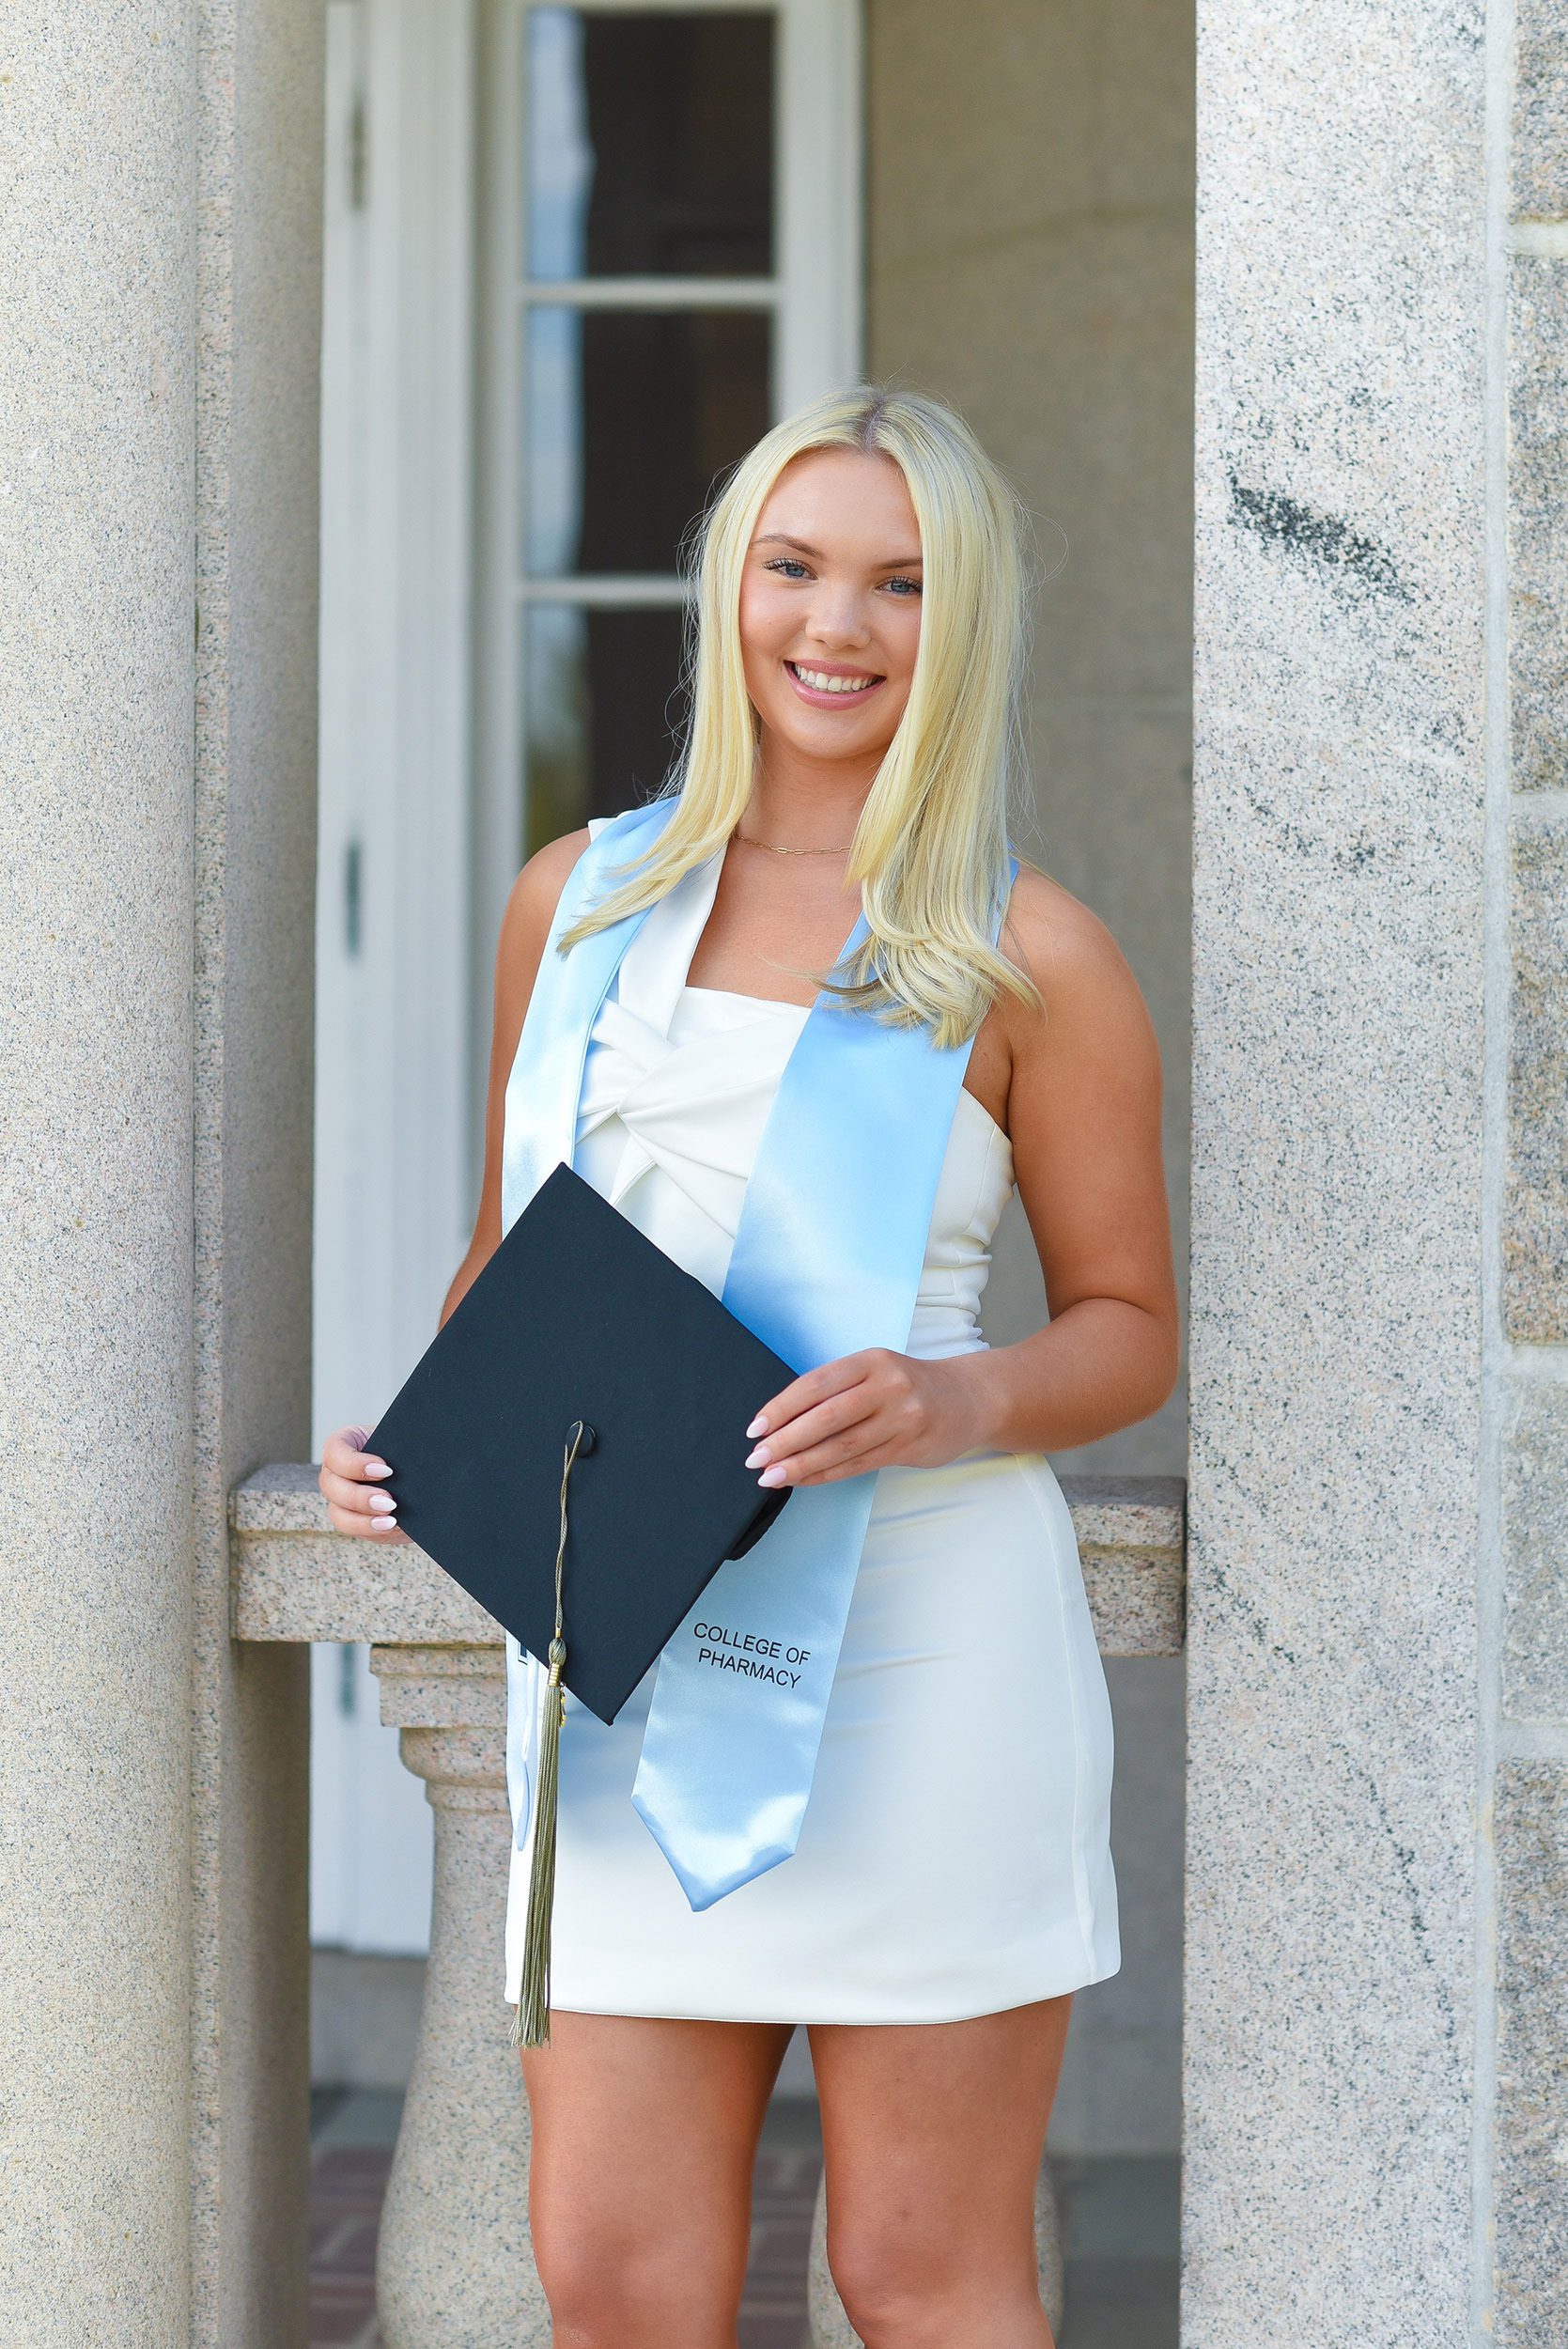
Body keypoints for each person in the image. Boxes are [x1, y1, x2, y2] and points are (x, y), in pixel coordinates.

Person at [319, 383, 1178, 2349]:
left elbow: (1127, 1321)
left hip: (924, 1654)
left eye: (899, 583)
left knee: (921, 2269)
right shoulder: (584, 903)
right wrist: (420, 1438)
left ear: (957, 625)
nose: (838, 625)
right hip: (628, 1651)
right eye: (794, 568)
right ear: (729, 594)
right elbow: (502, 1263)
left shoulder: (1023, 948)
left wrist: (952, 1396)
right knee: (613, 2275)